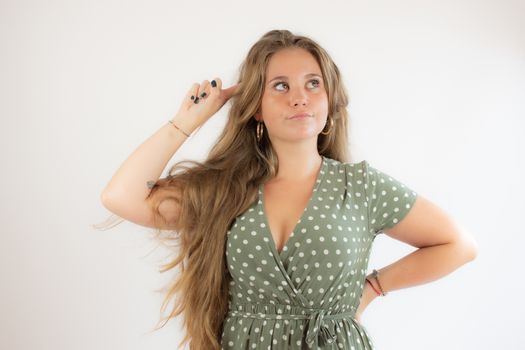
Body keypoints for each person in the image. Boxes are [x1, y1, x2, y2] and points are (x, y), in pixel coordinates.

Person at [97, 29, 478, 350]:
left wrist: (373, 288)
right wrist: (187, 121)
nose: (299, 97)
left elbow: (457, 245)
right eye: (280, 86)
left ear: (329, 101)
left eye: (313, 84)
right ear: (257, 109)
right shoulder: (222, 191)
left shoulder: (360, 188)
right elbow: (121, 197)